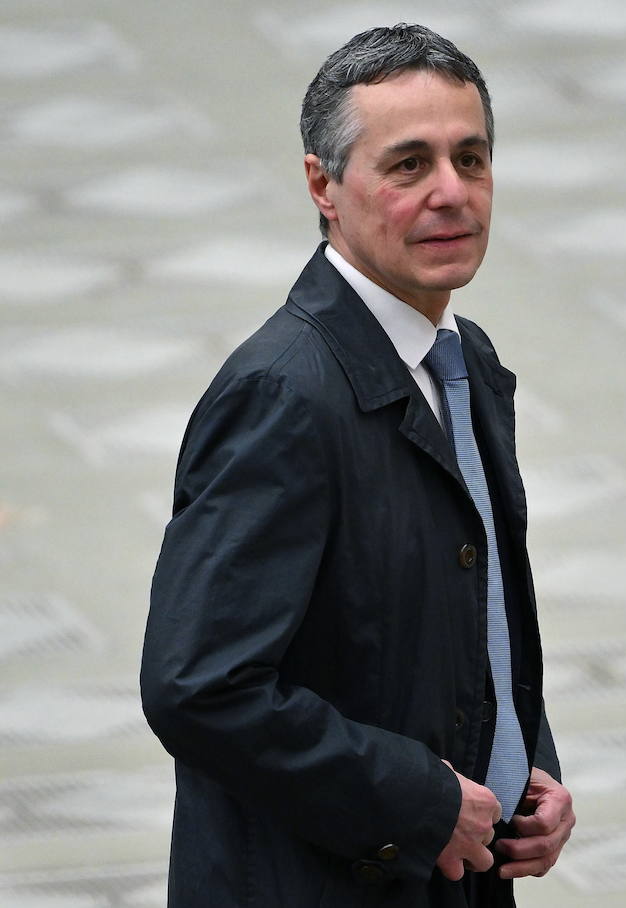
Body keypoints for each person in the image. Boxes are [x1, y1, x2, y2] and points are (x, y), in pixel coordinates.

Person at [141, 24, 573, 908]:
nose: (452, 193)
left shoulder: (468, 363)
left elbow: (464, 618)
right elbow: (199, 688)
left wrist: (528, 764)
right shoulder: (283, 396)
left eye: (472, 158)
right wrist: (417, 800)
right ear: (323, 186)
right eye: (409, 165)